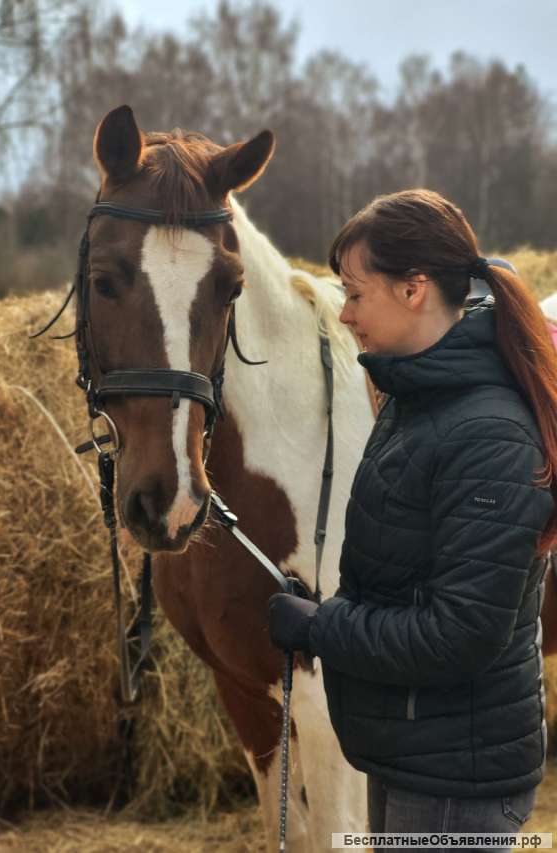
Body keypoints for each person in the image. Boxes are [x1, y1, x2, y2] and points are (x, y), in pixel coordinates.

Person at [268, 188, 557, 850]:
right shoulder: (417, 400)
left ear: (414, 288)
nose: (343, 314)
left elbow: (461, 633)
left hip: (460, 776)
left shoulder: (487, 433)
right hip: (414, 749)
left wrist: (325, 627)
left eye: (355, 293)